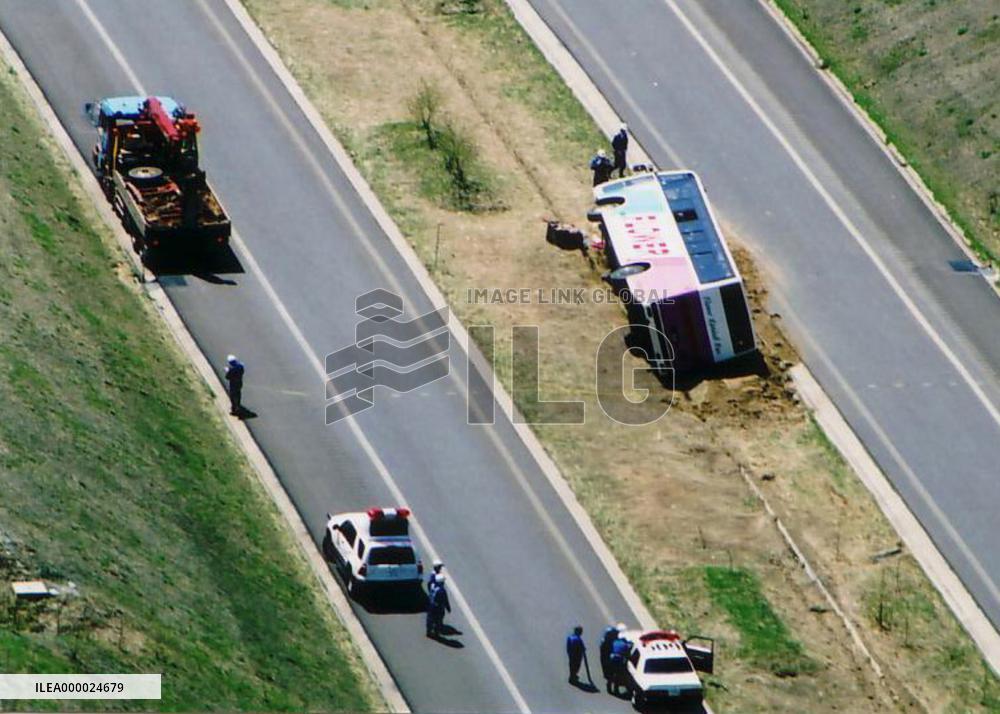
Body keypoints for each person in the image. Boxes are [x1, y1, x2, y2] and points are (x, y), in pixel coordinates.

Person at [426, 573, 452, 638]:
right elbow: (445, 599)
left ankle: (428, 631)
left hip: (431, 605)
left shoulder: (432, 585)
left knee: (430, 618)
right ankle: (436, 633)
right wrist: (448, 607)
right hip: (438, 607)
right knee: (438, 620)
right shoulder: (441, 590)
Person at [608, 624, 631, 696]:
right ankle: (616, 689)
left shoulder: (615, 642)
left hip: (612, 658)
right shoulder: (625, 645)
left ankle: (609, 687)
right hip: (619, 660)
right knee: (618, 675)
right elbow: (627, 654)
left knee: (611, 673)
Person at [599, 625, 618, 693]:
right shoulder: (606, 642)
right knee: (611, 674)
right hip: (607, 660)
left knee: (613, 674)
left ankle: (614, 688)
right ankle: (610, 688)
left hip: (609, 659)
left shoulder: (607, 640)